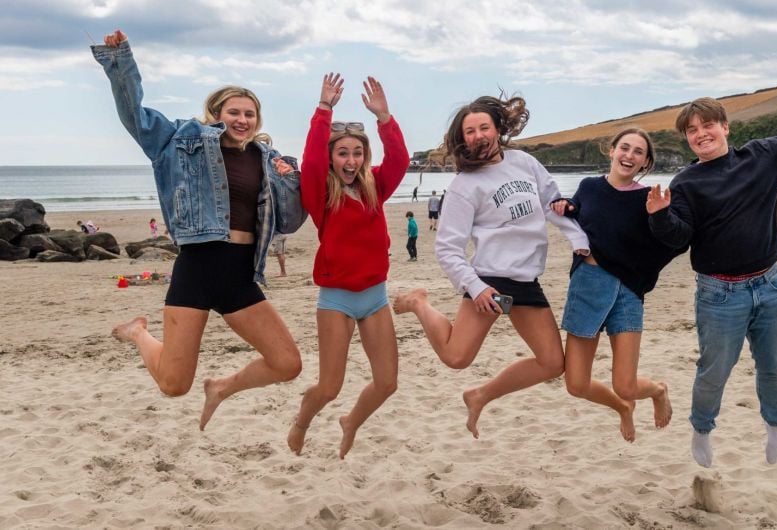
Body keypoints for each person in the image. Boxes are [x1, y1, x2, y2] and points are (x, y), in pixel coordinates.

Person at [647, 50, 777, 468]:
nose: (701, 134)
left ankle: (775, 427)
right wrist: (658, 218)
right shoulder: (686, 183)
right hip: (720, 293)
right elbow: (680, 238)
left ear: (724, 127)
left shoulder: (762, 156)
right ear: (687, 139)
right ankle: (702, 429)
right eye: (692, 130)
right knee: (713, 371)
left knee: (773, 366)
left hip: (770, 284)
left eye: (707, 125)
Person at [98, 30, 307, 431]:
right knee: (174, 386)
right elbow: (135, 117)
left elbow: (291, 220)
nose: (242, 120)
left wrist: (290, 179)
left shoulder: (268, 159)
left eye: (249, 114)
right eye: (234, 112)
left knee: (287, 363)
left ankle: (223, 387)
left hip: (241, 277)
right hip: (196, 270)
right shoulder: (180, 139)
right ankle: (137, 333)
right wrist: (119, 60)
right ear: (216, 113)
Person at [393, 94, 590, 438]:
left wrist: (578, 241)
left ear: (498, 129)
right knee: (457, 358)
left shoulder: (524, 163)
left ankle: (480, 395)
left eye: (484, 127)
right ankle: (419, 303)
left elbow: (553, 203)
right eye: (469, 131)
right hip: (492, 285)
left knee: (552, 363)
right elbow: (448, 247)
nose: (478, 135)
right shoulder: (464, 186)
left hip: (525, 283)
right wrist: (475, 287)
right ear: (462, 139)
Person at [289, 72, 410, 458]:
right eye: (343, 153)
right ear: (332, 156)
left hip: (375, 298)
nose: (351, 160)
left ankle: (351, 421)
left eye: (357, 153)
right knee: (329, 387)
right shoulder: (321, 193)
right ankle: (301, 422)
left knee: (388, 383)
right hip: (336, 300)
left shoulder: (376, 185)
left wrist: (385, 117)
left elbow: (401, 159)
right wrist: (323, 109)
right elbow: (309, 163)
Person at [549, 128, 683, 442]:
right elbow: (578, 214)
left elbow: (672, 242)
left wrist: (661, 216)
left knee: (626, 384)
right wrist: (563, 206)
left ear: (645, 162)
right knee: (576, 385)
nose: (629, 155)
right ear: (612, 151)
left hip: (625, 291)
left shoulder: (646, 197)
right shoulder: (589, 186)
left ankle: (658, 391)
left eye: (638, 152)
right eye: (625, 147)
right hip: (586, 287)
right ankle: (623, 409)